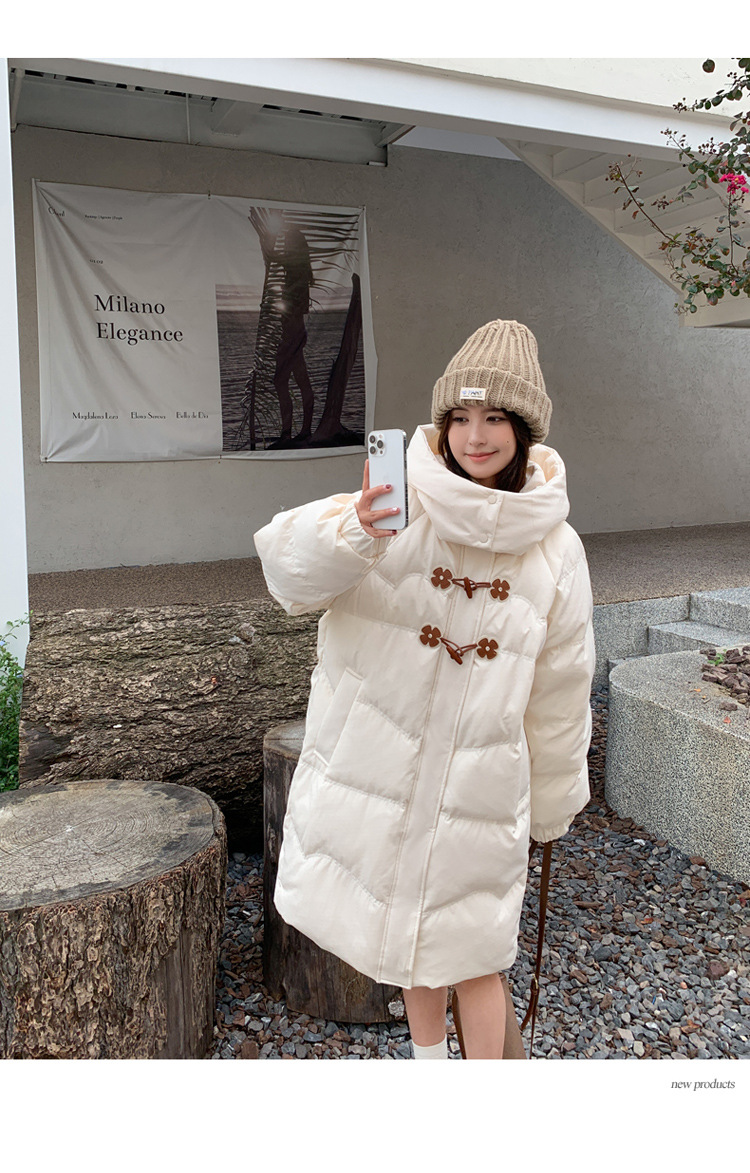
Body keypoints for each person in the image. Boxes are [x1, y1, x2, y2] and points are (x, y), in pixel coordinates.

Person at [253, 319, 596, 1059]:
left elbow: (562, 689)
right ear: (441, 425)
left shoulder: (557, 548)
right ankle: (429, 1068)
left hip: (480, 783)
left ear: (524, 429)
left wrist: (553, 804)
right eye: (460, 417)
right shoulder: (396, 504)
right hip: (386, 769)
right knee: (411, 947)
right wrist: (355, 529)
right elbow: (286, 572)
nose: (475, 436)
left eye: (495, 417)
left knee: (473, 955)